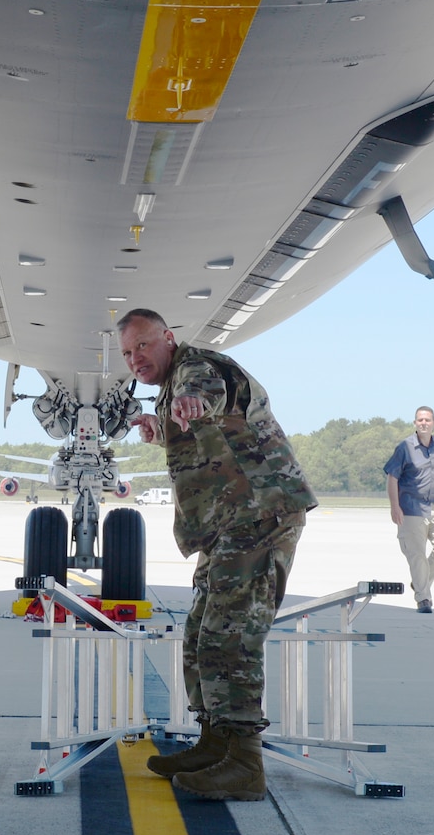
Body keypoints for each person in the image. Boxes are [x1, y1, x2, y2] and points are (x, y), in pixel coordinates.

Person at [118, 308, 316, 801]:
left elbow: (207, 393)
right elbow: (215, 434)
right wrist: (163, 423)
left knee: (230, 637)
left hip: (260, 515)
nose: (135, 359)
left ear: (168, 337)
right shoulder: (172, 391)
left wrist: (186, 403)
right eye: (126, 353)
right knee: (201, 633)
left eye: (142, 346)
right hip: (230, 526)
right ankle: (216, 742)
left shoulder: (196, 369)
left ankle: (245, 763)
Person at [385, 406, 434, 613]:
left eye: (427, 420)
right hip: (411, 506)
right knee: (416, 555)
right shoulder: (405, 447)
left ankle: (420, 580)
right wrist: (394, 506)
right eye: (420, 420)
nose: (424, 423)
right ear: (415, 423)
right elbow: (392, 477)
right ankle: (423, 598)